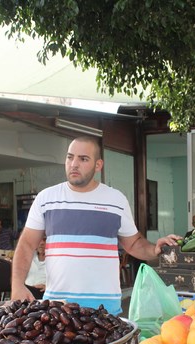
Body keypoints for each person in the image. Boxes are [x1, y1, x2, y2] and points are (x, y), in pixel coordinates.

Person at [11, 135, 181, 314]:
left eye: (83, 159)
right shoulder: (46, 199)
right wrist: (17, 285)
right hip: (57, 308)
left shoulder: (116, 200)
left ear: (98, 165)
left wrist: (155, 249)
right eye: (70, 157)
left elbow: (133, 243)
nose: (74, 164)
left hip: (104, 308)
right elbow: (27, 244)